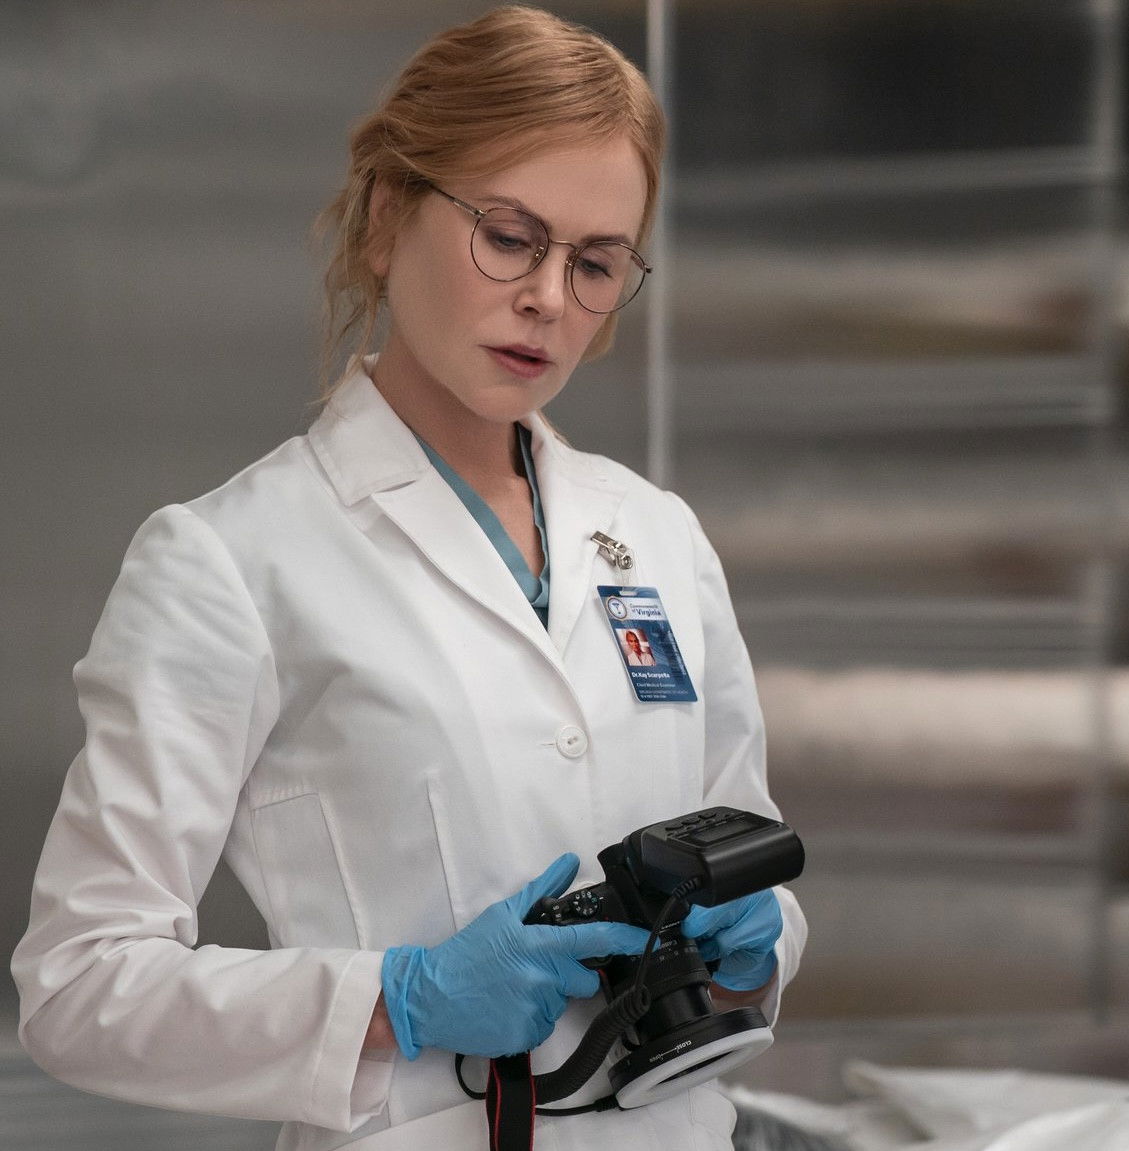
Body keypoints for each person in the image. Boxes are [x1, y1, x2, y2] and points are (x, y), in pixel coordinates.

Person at [10, 8, 804, 1150]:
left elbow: (752, 857)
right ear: (387, 217)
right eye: (509, 237)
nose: (548, 298)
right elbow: (79, 985)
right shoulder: (230, 560)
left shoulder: (658, 536)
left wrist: (758, 941)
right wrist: (399, 997)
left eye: (594, 264)